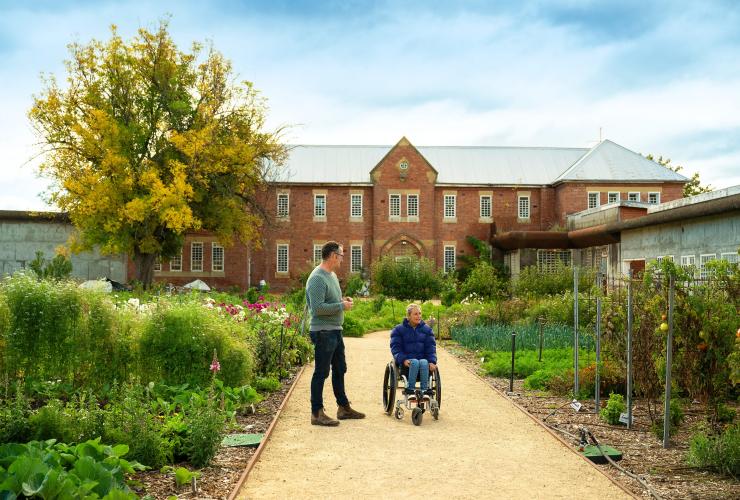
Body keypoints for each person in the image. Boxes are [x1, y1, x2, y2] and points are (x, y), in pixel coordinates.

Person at [306, 241, 365, 426]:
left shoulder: (331, 275)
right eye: (340, 255)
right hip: (323, 332)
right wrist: (341, 306)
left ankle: (343, 408)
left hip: (335, 331)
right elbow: (317, 309)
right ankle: (317, 413)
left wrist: (342, 301)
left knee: (340, 369)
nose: (342, 259)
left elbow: (329, 301)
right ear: (333, 255)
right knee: (321, 372)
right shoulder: (317, 278)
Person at [390, 303, 438, 403]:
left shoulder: (427, 330)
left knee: (424, 362)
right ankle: (410, 390)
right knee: (415, 362)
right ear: (409, 316)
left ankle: (424, 391)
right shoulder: (398, 330)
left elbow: (431, 348)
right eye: (415, 314)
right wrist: (403, 359)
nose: (419, 316)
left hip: (424, 366)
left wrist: (432, 361)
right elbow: (396, 348)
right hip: (406, 365)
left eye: (420, 313)